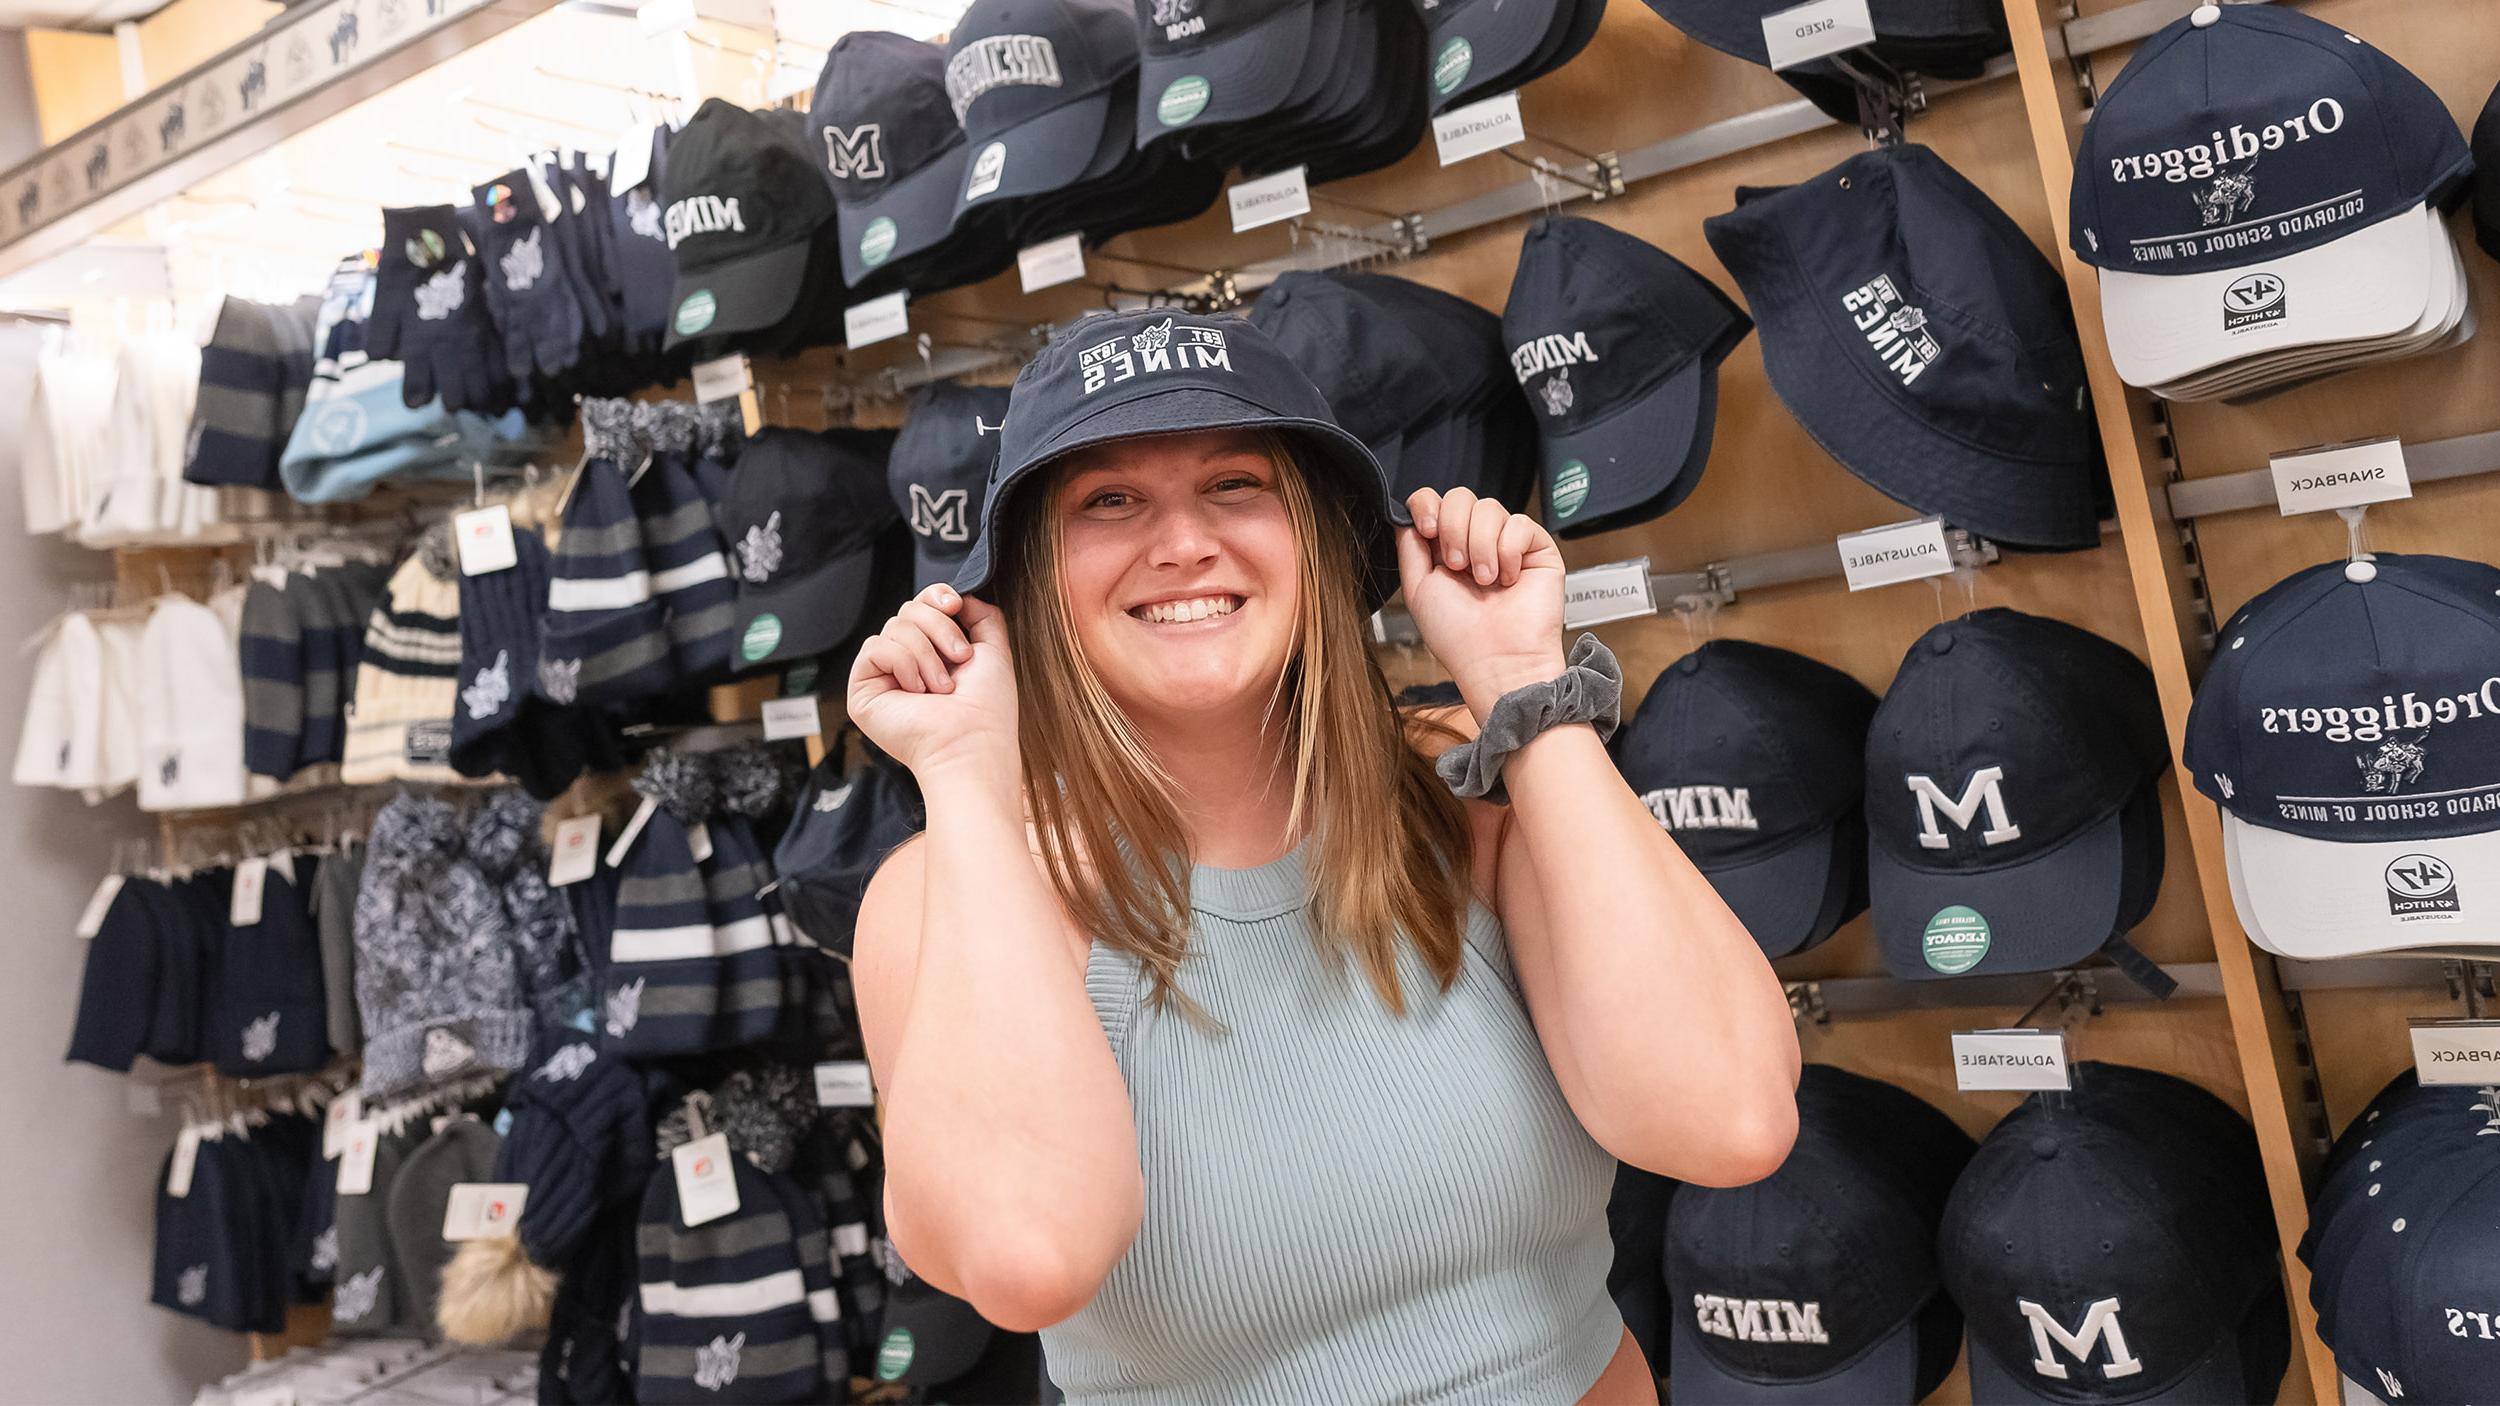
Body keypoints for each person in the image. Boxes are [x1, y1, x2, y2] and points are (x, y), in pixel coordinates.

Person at [845, 308, 1801, 1404]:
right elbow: (1026, 1255)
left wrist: (1522, 684)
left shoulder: (1462, 798)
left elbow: (1730, 1117)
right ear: (1024, 583)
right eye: (1108, 500)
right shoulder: (948, 893)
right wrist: (968, 773)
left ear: (1314, 532)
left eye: (1235, 483)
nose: (1183, 541)